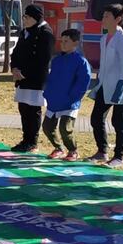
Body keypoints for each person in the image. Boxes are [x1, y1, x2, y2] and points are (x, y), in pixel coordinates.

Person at [88, 3, 123, 167]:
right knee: (96, 118)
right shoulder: (103, 38)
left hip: (120, 86)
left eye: (107, 16)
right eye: (103, 15)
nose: (103, 19)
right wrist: (98, 81)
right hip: (104, 84)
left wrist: (121, 86)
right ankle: (102, 151)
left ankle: (119, 157)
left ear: (118, 19)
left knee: (119, 122)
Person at [41, 29, 91, 161]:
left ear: (75, 43)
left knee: (65, 128)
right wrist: (47, 93)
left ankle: (73, 150)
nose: (62, 44)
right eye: (61, 41)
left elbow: (83, 82)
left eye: (66, 41)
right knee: (47, 127)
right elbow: (51, 79)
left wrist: (73, 98)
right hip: (54, 101)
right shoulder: (57, 60)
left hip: (69, 102)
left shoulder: (81, 61)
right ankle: (59, 148)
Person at [10, 4, 55, 152]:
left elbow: (43, 59)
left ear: (36, 17)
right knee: (23, 107)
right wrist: (14, 68)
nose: (25, 20)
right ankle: (26, 139)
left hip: (36, 78)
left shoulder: (45, 32)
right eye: (24, 17)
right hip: (21, 77)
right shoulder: (24, 32)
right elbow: (16, 53)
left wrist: (25, 72)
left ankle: (32, 141)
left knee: (33, 109)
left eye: (27, 17)